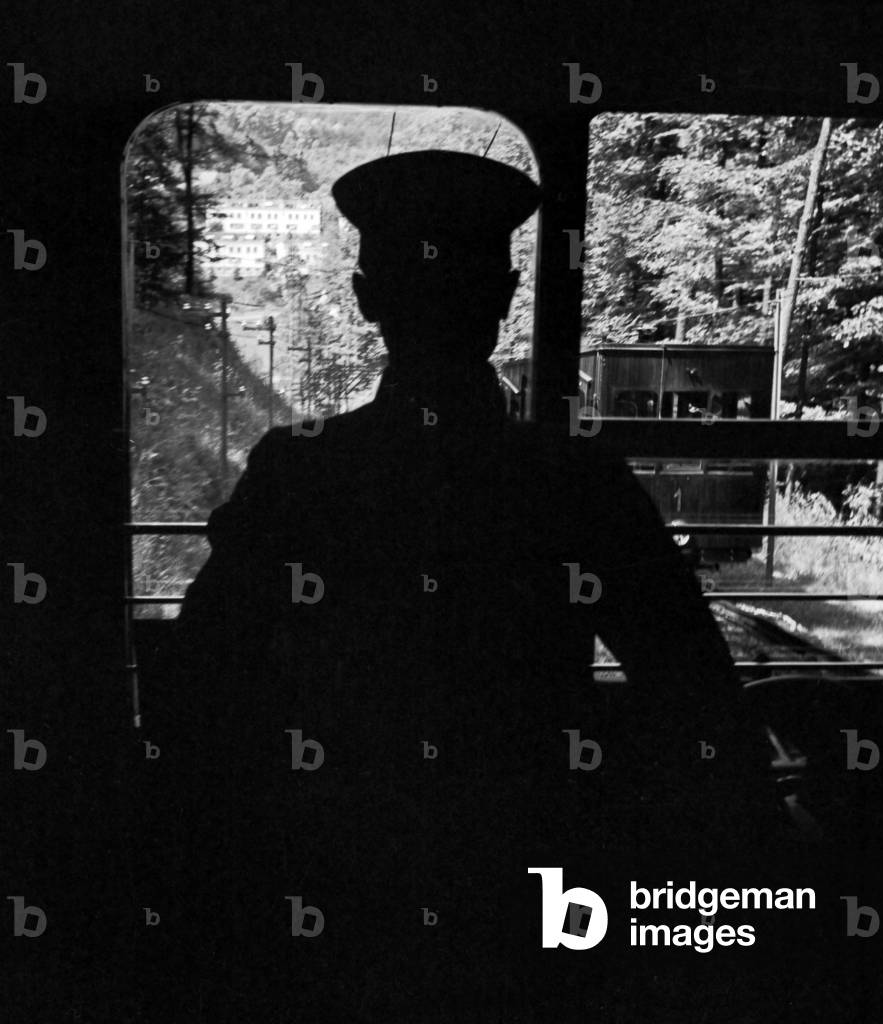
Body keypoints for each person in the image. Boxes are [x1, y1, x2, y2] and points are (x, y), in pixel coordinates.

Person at [148, 150, 776, 1020]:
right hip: (527, 884)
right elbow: (695, 688)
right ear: (506, 295)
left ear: (369, 302)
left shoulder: (299, 473)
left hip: (331, 880)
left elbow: (199, 682)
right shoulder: (578, 481)